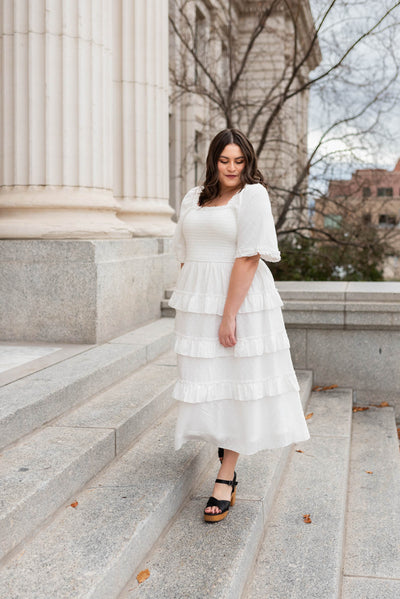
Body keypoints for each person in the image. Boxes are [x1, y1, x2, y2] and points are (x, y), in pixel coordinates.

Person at [168, 128, 310, 523]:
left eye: (239, 161)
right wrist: (191, 307)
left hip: (240, 298)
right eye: (224, 160)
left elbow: (249, 257)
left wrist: (229, 314)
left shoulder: (253, 195)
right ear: (214, 160)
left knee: (236, 381)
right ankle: (222, 445)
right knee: (208, 379)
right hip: (199, 298)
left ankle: (226, 475)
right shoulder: (194, 197)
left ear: (248, 162)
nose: (231, 168)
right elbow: (185, 254)